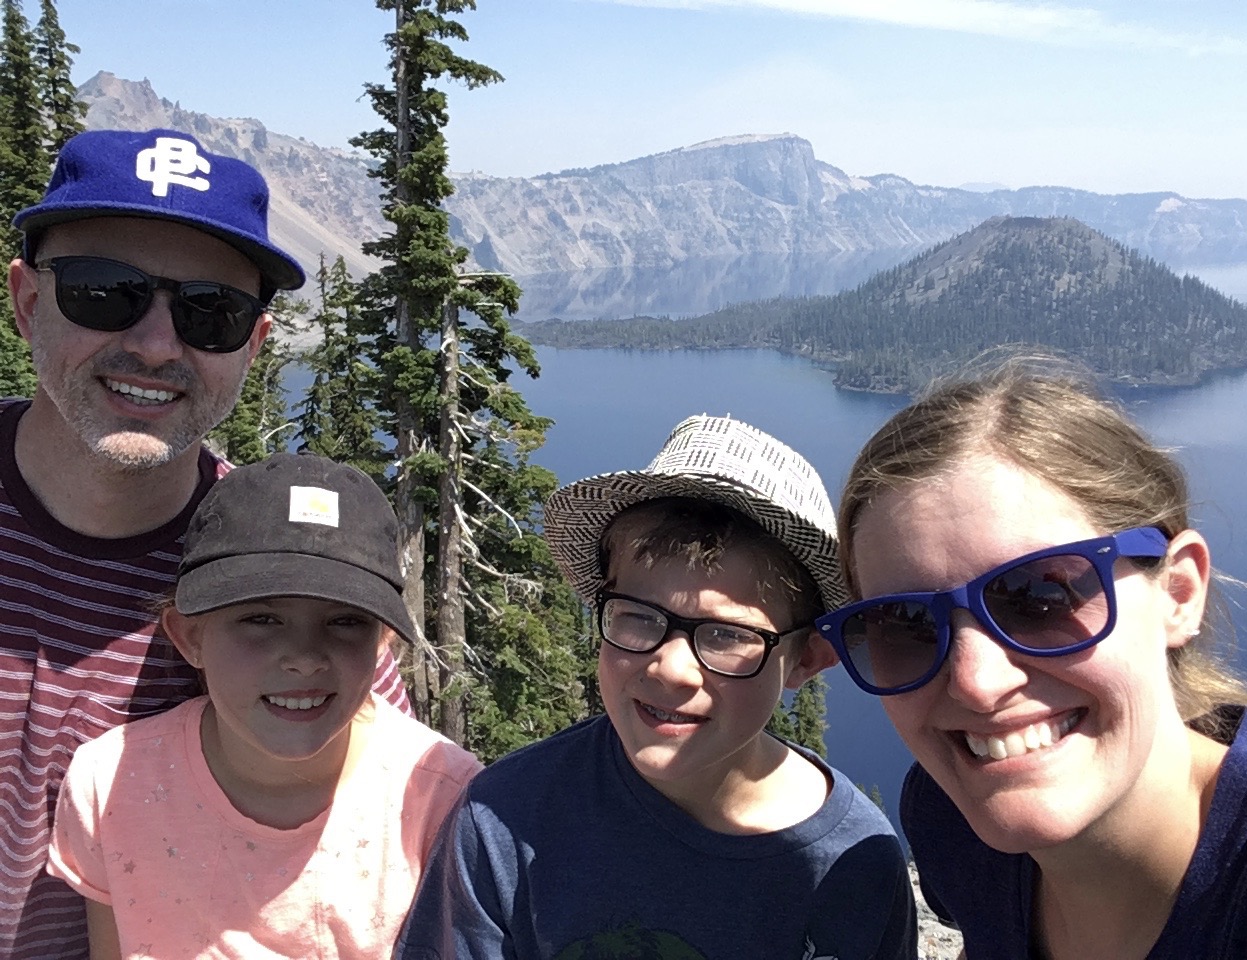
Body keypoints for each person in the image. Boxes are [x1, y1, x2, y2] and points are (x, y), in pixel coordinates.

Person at [1, 127, 408, 958]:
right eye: (103, 291)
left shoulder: (287, 568)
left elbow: (380, 824)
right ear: (27, 301)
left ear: (253, 348)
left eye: (209, 312)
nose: (155, 345)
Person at [396, 414, 917, 960]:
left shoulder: (857, 863)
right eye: (639, 616)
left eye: (726, 635)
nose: (670, 668)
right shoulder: (505, 820)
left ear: (808, 658)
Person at [820, 357, 1247, 959]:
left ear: (1178, 592)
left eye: (1040, 596)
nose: (977, 682)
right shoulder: (951, 817)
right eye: (903, 624)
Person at [45, 452, 482, 959]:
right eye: (261, 619)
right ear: (190, 638)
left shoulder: (442, 799)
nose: (303, 658)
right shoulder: (109, 781)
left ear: (383, 641)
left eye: (345, 621)